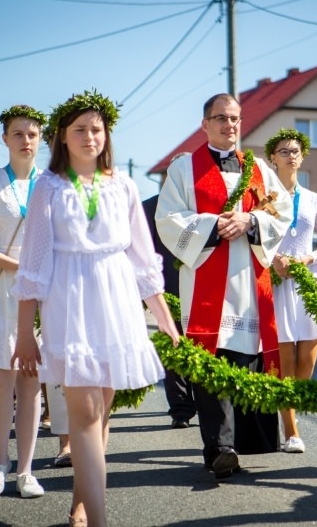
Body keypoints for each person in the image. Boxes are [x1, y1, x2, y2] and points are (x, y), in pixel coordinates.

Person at [11, 90, 178, 527]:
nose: (89, 137)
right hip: (69, 300)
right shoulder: (47, 187)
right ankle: (101, 521)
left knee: (101, 413)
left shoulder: (124, 185)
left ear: (107, 135)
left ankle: (81, 504)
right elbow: (33, 265)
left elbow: (144, 262)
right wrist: (26, 333)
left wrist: (166, 322)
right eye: (79, 129)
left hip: (116, 300)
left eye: (96, 129)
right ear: (63, 138)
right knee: (84, 413)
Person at [156, 93, 292, 479]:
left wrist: (250, 222)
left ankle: (246, 441)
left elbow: (281, 212)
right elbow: (167, 218)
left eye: (235, 118)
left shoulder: (259, 168)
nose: (229, 125)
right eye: (221, 118)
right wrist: (213, 225)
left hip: (250, 283)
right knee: (211, 361)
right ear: (205, 124)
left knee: (246, 361)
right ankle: (220, 448)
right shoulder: (185, 169)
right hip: (206, 283)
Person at [0, 105, 47, 500]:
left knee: (31, 381)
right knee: (1, 380)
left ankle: (26, 469)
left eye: (32, 134)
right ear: (5, 139)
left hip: (41, 292)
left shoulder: (51, 182)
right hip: (2, 290)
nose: (26, 141)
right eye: (18, 134)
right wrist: (22, 265)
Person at [264, 128, 317, 454]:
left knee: (307, 359)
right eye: (283, 151)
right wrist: (274, 258)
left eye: (295, 151)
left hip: (307, 283)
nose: (290, 155)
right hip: (276, 283)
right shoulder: (263, 198)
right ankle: (291, 431)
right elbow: (256, 240)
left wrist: (308, 258)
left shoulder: (314, 199)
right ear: (272, 158)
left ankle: (290, 406)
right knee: (285, 359)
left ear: (302, 156)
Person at [142, 151, 197, 430]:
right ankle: (180, 408)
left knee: (201, 344)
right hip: (166, 287)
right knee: (173, 346)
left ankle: (203, 399)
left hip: (199, 286)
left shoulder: (198, 208)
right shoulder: (148, 208)